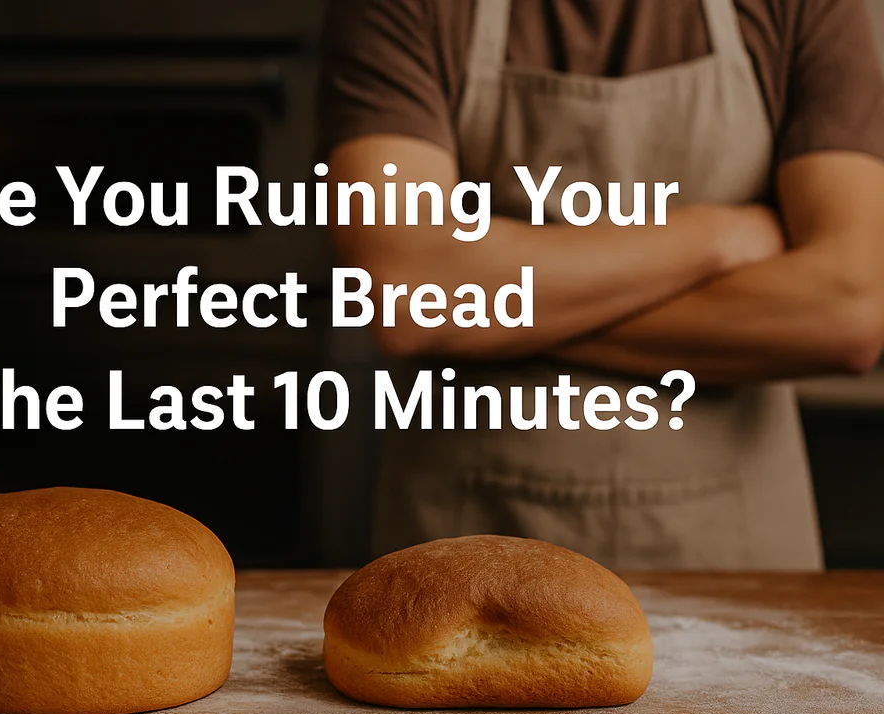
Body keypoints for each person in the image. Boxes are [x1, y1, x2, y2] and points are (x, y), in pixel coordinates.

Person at [319, 0, 884, 569]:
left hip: (738, 554)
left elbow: (851, 308)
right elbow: (407, 293)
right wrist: (715, 237)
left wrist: (498, 307)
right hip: (467, 551)